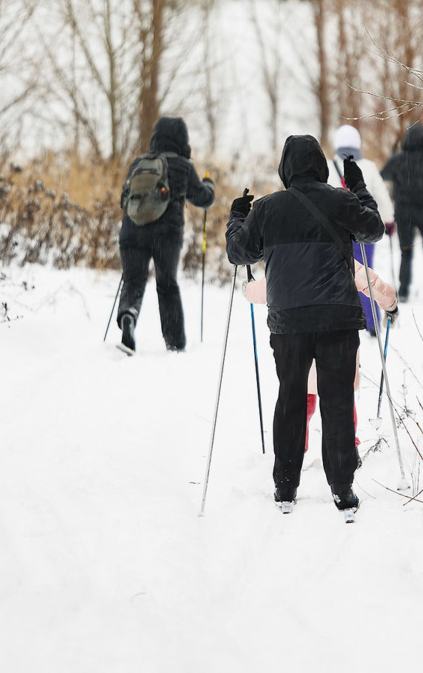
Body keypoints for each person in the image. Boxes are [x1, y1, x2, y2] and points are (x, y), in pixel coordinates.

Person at [227, 134, 385, 519]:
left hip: (288, 322)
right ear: (319, 165)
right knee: (336, 398)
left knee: (292, 398)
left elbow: (238, 252)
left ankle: (285, 485)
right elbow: (373, 229)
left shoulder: (266, 209)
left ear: (285, 168)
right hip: (337, 318)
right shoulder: (340, 200)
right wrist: (358, 188)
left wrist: (237, 217)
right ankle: (343, 488)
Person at [115, 116, 215, 354]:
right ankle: (174, 342)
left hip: (132, 231)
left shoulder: (138, 163)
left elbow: (125, 197)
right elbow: (204, 199)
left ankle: (128, 315)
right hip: (166, 236)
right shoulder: (183, 166)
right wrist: (209, 184)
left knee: (132, 280)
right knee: (166, 284)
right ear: (182, 140)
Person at [327, 124, 395, 335]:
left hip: (336, 233)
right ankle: (372, 322)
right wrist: (389, 221)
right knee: (366, 274)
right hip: (363, 232)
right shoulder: (369, 166)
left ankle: (340, 322)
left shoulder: (328, 166)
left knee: (337, 277)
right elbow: (381, 197)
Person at [380, 122, 423, 300]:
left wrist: (394, 153)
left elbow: (383, 175)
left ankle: (403, 292)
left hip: (403, 211)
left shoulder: (398, 159)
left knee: (406, 251)